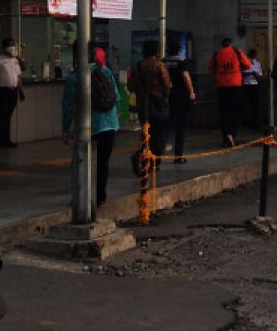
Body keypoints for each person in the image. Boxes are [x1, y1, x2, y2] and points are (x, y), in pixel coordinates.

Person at [62, 41, 120, 207]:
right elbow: (116, 96)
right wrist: (114, 117)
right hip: (109, 124)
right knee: (102, 162)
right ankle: (100, 197)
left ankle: (82, 198)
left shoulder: (75, 77)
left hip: (88, 127)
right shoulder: (105, 71)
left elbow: (68, 107)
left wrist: (66, 129)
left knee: (81, 162)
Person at [129, 39, 172, 175]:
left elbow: (131, 86)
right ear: (156, 51)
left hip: (143, 106)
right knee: (160, 135)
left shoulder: (137, 66)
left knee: (146, 134)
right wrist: (164, 96)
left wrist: (142, 93)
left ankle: (142, 156)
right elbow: (168, 84)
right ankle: (154, 162)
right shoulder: (159, 65)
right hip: (158, 105)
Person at [209, 38, 250, 147]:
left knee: (224, 113)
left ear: (222, 45)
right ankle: (232, 134)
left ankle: (226, 135)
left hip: (222, 87)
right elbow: (248, 65)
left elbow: (211, 70)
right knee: (236, 112)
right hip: (235, 86)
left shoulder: (217, 54)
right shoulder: (237, 52)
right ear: (231, 44)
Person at [0, 38, 24, 149]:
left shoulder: (16, 60)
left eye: (13, 45)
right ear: (4, 47)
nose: (12, 47)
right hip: (2, 91)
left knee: (8, 116)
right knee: (2, 116)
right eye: (10, 45)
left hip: (13, 91)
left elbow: (18, 76)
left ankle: (6, 140)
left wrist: (20, 90)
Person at [166, 53, 196, 164]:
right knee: (181, 128)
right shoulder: (181, 62)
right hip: (181, 97)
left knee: (164, 127)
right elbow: (185, 76)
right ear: (178, 50)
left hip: (166, 97)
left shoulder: (163, 62)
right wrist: (191, 92)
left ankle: (157, 156)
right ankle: (178, 156)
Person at [242, 49, 262, 128]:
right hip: (246, 85)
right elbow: (241, 73)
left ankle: (255, 123)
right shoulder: (244, 63)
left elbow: (259, 76)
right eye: (251, 55)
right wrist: (248, 73)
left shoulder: (257, 64)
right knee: (245, 105)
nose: (252, 57)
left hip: (254, 85)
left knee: (255, 105)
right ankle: (245, 123)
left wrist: (255, 74)